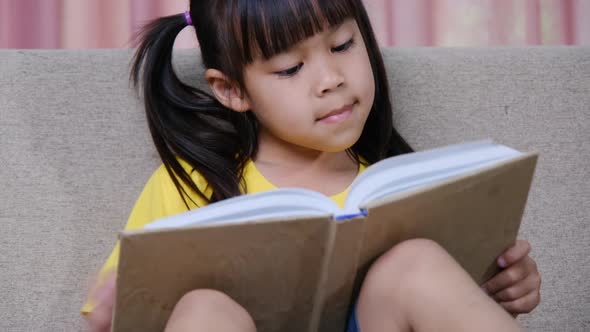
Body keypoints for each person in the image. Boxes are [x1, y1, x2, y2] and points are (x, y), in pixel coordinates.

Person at [82, 1, 541, 331]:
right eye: (289, 69)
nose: (331, 79)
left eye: (342, 45)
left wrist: (496, 293)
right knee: (205, 309)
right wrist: (111, 317)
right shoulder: (190, 184)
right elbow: (121, 309)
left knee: (416, 264)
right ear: (232, 91)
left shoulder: (400, 184)